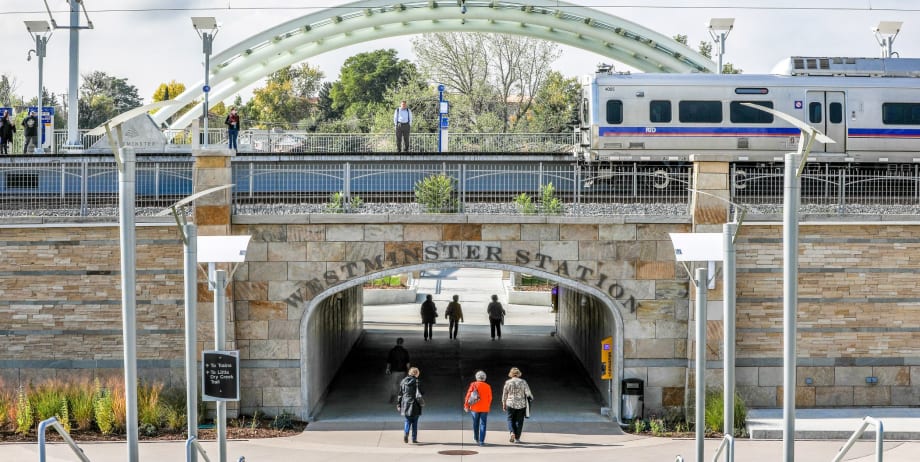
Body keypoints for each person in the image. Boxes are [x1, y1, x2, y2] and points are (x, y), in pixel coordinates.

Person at [501, 367, 533, 444]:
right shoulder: (523, 382)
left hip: (510, 403)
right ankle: (517, 438)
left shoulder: (508, 382)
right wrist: (530, 399)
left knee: (510, 419)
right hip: (521, 405)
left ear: (511, 374)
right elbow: (528, 394)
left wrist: (503, 403)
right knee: (519, 421)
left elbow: (504, 394)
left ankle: (512, 432)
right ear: (518, 374)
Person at [464, 370, 493, 446]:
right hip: (484, 408)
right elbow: (490, 398)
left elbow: (468, 396)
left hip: (474, 407)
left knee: (475, 423)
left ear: (476, 377)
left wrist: (466, 405)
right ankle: (481, 441)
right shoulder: (488, 386)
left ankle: (476, 438)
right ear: (484, 378)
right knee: (483, 424)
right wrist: (487, 405)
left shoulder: (473, 385)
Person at [397, 367, 424, 444]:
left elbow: (400, 394)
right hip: (415, 404)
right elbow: (422, 392)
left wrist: (398, 404)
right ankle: (414, 439)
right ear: (416, 373)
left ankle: (406, 433)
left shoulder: (403, 381)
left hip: (405, 404)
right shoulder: (417, 382)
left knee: (407, 420)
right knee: (415, 422)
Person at [385, 337, 411, 403]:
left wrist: (387, 368)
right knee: (401, 384)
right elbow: (407, 363)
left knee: (394, 383)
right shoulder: (405, 351)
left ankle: (393, 396)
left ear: (397, 342)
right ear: (402, 343)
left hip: (394, 370)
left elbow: (389, 361)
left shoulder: (392, 351)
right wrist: (408, 371)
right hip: (402, 370)